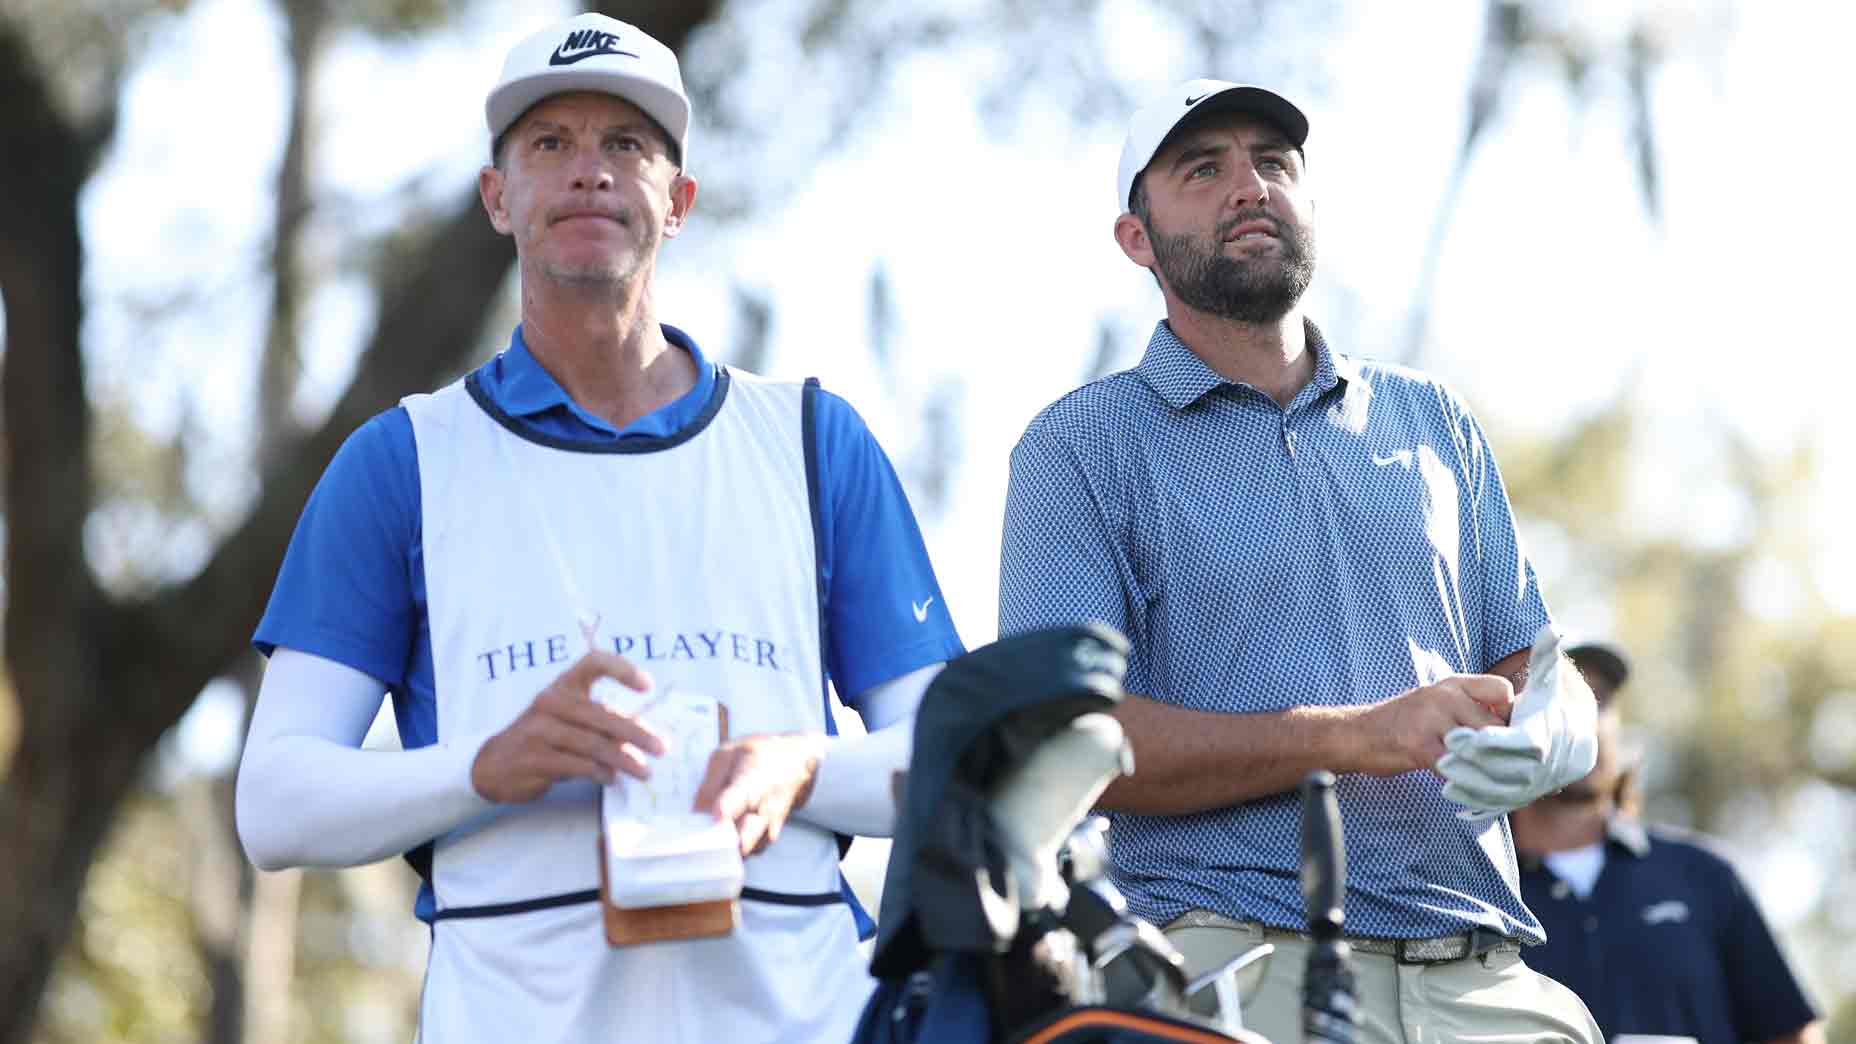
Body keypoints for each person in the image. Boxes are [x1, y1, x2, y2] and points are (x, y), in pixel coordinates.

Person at [233, 13, 963, 1043]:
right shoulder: (400, 462)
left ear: (681, 201)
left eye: (625, 144)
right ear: (498, 196)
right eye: (549, 144)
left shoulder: (811, 440)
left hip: (803, 1019)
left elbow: (955, 758)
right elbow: (273, 804)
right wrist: (485, 764)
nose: (588, 172)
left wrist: (802, 764)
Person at [998, 79, 1603, 1044]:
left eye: (1273, 163)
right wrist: (1351, 736)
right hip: (1233, 972)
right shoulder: (1079, 446)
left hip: (1486, 977)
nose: (1250, 186)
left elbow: (1527, 657)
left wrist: (1557, 716)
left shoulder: (1435, 421)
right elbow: (1066, 738)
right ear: (1136, 239)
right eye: (1204, 169)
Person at [1511, 641, 1825, 1044]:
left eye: (1599, 701)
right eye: (1556, 697)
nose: (1585, 720)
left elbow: (1791, 1033)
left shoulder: (1706, 877)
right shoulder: (1472, 893)